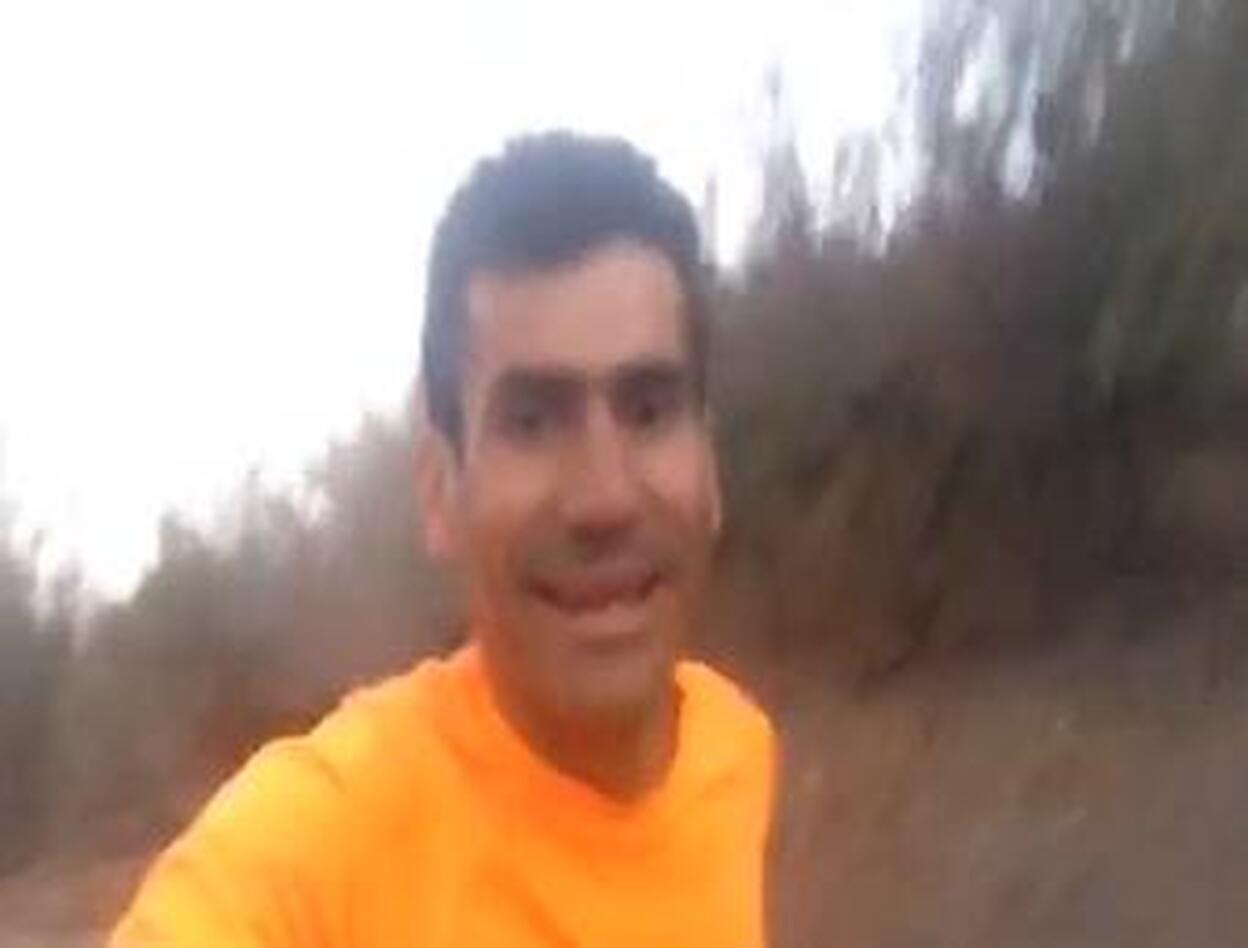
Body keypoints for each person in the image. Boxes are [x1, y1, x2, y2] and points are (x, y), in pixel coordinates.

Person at [111, 131, 777, 947]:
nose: (604, 499)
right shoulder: (313, 853)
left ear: (709, 465)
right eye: (531, 421)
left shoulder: (736, 747)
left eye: (648, 410)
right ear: (438, 490)